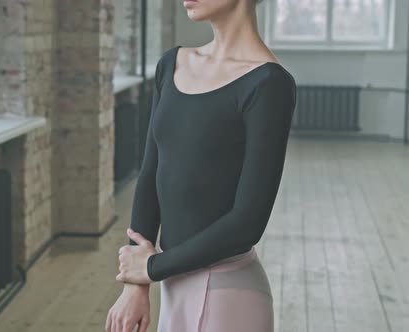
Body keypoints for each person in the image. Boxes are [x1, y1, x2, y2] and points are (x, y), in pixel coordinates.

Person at [105, 0, 296, 331]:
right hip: (173, 286)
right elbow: (150, 175)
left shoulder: (269, 84)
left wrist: (150, 268)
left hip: (229, 294)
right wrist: (136, 284)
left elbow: (246, 224)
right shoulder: (172, 64)